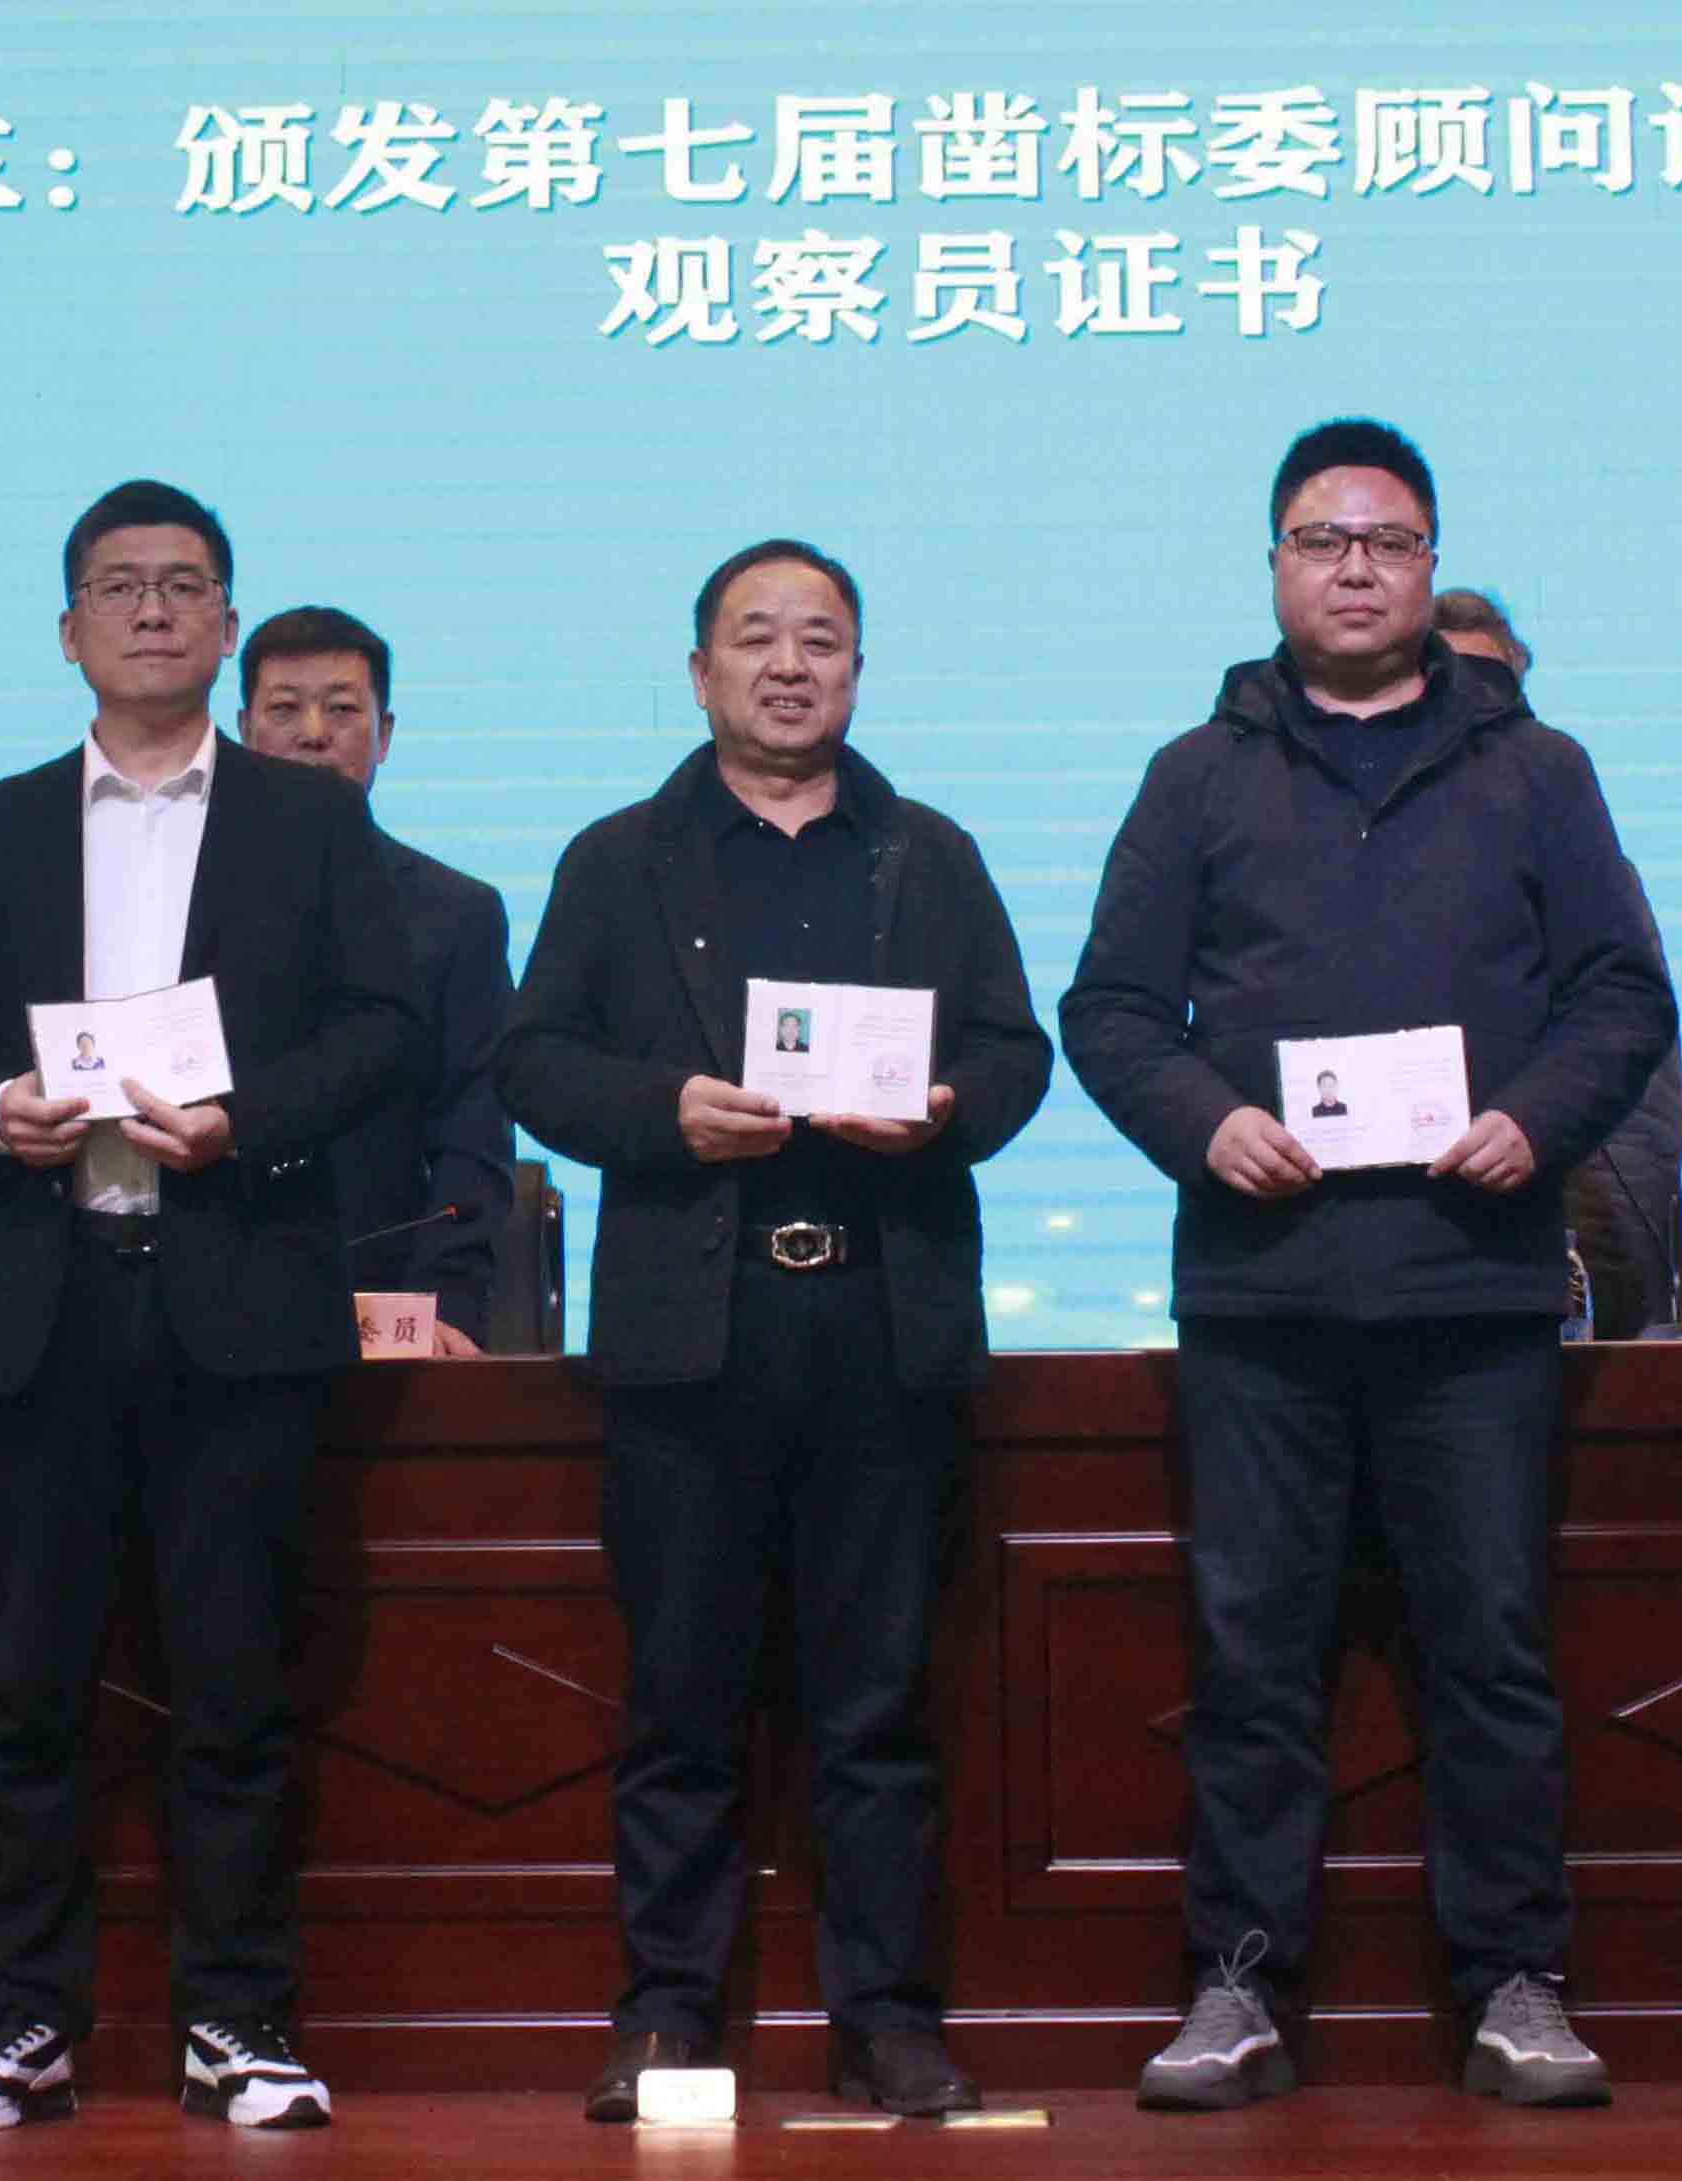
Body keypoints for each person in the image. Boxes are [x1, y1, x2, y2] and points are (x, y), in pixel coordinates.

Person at [1060, 420, 1674, 2112]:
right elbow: (1110, 1011)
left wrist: (1532, 1121)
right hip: (1261, 1294)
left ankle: (1516, 1983)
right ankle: (1237, 1984)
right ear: (1273, 566)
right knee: (1250, 1657)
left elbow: (1622, 994)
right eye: (1321, 540)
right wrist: (1207, 1127)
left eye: (1387, 542)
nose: (1354, 568)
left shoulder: (1534, 770)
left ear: (1427, 566)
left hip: (1470, 1286)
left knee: (1490, 1650)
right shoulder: (1195, 775)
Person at [0, 481, 423, 2135]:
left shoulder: (307, 821)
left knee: (236, 1685)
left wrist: (244, 1118)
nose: (154, 610)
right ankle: (18, 2022)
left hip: (237, 1292)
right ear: (69, 631)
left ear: (227, 624)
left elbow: (381, 1028)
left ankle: (237, 2020)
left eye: (185, 585)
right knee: (26, 1687)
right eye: (120, 586)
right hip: (43, 1294)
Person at [498, 538, 1052, 2121]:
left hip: (881, 1318)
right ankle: (666, 2018)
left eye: (820, 639)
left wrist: (942, 1110)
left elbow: (1014, 1054)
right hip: (697, 1325)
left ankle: (888, 2022)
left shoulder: (929, 855)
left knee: (877, 1703)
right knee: (681, 1696)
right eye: (756, 637)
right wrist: (665, 1113)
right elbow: (532, 1062)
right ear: (700, 671)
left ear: (858, 671)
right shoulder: (619, 859)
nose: (789, 665)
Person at [233, 604, 514, 1350]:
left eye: (342, 709)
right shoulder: (183, 896)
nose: (313, 733)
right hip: (209, 1296)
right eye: (284, 709)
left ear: (384, 734)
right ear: (243, 729)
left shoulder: (456, 913)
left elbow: (473, 1128)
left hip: (381, 1299)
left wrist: (447, 1301)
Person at [1432, 588, 1682, 1339]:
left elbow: (1642, 1080)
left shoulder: (1581, 850)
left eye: (1492, 685)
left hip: (1581, 1208)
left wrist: (1623, 1242)